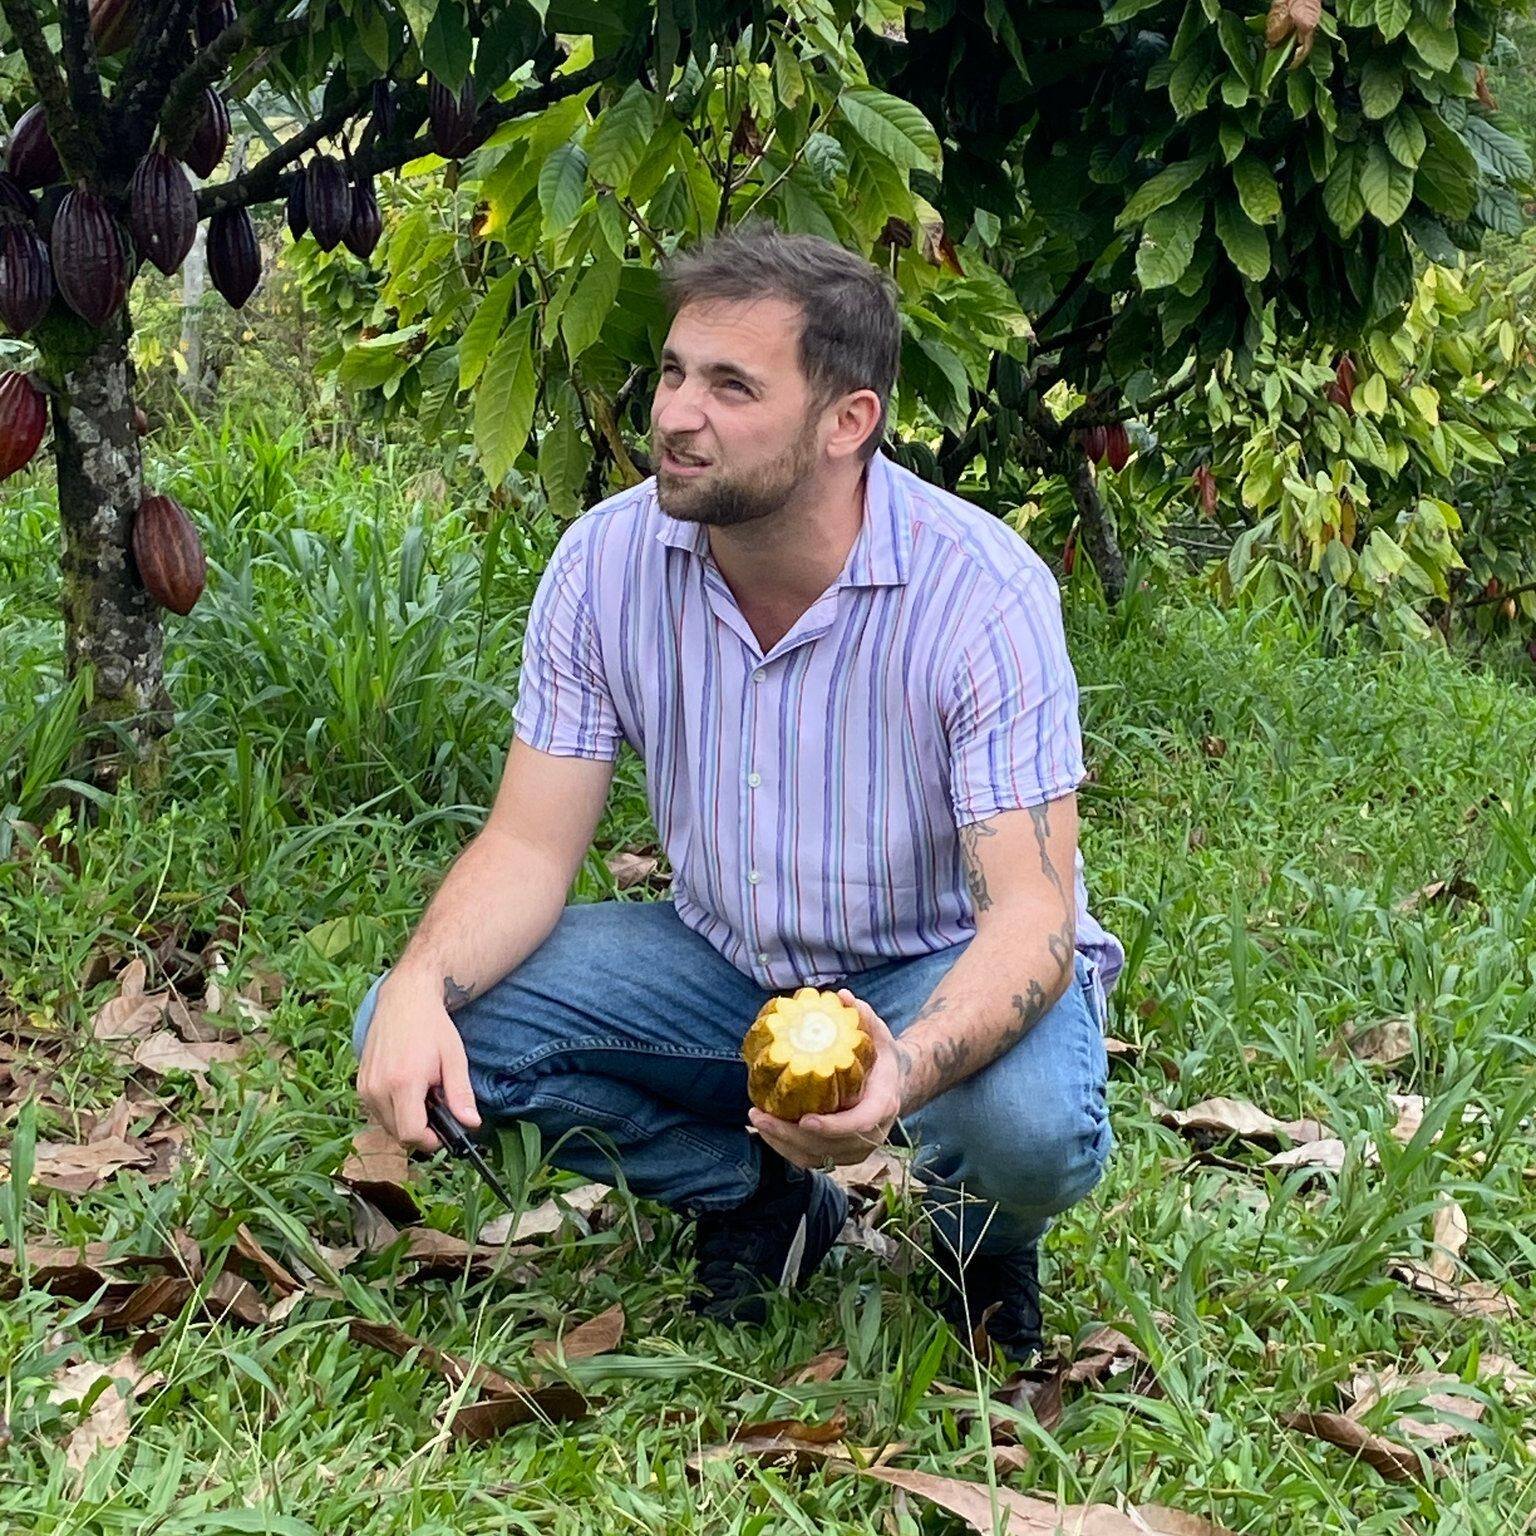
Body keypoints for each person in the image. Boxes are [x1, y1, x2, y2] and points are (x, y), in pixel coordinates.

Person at [352, 221, 1124, 1360]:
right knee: (413, 1022)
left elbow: (1032, 915)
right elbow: (526, 849)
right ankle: (752, 1193)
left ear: (845, 422)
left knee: (1032, 1127)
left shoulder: (980, 594)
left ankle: (979, 1240)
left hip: (932, 973)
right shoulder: (606, 564)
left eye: (729, 385)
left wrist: (895, 1071)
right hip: (719, 970)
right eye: (671, 372)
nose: (673, 413)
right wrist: (420, 981)